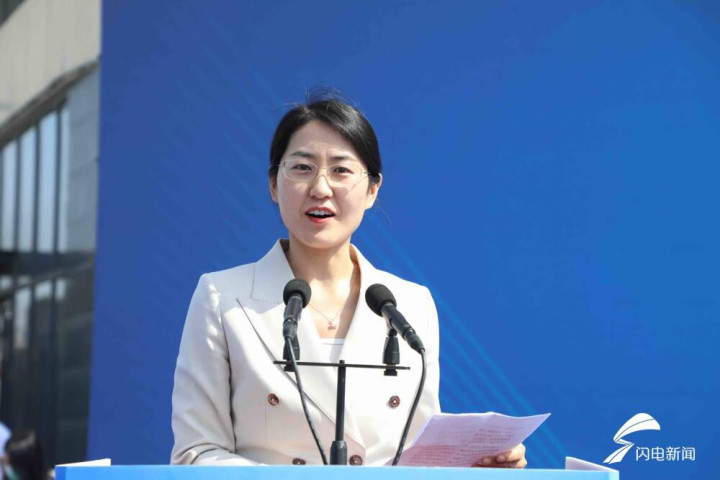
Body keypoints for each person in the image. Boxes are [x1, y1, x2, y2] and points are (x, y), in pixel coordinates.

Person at [171, 95, 527, 468]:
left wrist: (475, 464)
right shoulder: (223, 297)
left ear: (372, 189)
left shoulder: (409, 304)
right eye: (302, 168)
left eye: (341, 170)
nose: (320, 188)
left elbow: (419, 459)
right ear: (274, 184)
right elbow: (197, 452)